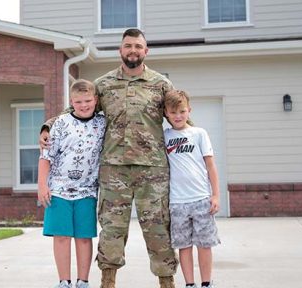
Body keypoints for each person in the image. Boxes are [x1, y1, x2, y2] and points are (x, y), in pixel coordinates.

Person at [40, 29, 178, 288]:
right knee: (112, 230)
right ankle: (108, 282)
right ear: (120, 50)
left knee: (158, 228)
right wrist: (48, 127)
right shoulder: (103, 85)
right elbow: (76, 110)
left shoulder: (161, 84)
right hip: (115, 172)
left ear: (145, 51)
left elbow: (179, 116)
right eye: (128, 46)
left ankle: (167, 282)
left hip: (153, 171)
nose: (133, 50)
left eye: (138, 46)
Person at [38, 79, 106, 288]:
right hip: (58, 190)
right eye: (78, 101)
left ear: (95, 100)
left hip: (87, 191)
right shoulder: (60, 123)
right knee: (61, 237)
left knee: (84, 237)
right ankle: (64, 281)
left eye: (88, 100)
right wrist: (42, 185)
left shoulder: (103, 124)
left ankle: (83, 281)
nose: (84, 105)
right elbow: (46, 156)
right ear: (71, 102)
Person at [163, 90, 221, 288]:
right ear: (166, 114)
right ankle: (190, 284)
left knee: (204, 245)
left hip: (201, 199)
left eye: (181, 111)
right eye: (173, 112)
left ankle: (206, 283)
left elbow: (211, 166)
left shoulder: (199, 134)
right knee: (184, 246)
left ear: (189, 110)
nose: (178, 116)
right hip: (177, 202)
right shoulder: (165, 137)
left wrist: (215, 195)